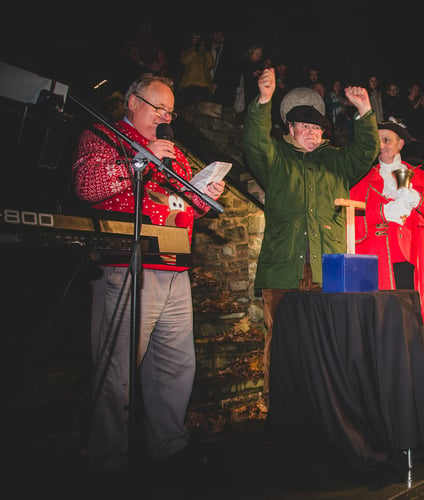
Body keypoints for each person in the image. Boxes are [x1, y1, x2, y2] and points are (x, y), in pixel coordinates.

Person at [72, 73, 226, 474]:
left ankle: (168, 447)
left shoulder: (171, 150)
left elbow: (191, 200)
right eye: (159, 107)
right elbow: (87, 185)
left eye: (170, 110)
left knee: (175, 366)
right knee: (117, 370)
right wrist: (139, 161)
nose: (165, 116)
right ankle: (108, 461)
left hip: (175, 269)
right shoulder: (103, 136)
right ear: (132, 103)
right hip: (128, 268)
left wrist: (205, 194)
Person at [241, 67, 379, 406]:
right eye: (305, 126)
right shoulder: (275, 158)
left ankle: (324, 403)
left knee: (327, 336)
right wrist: (263, 101)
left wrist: (364, 112)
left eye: (317, 127)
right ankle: (277, 402)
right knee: (281, 337)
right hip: (283, 266)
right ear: (290, 128)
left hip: (327, 266)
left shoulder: (336, 161)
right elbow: (254, 142)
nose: (312, 133)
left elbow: (366, 151)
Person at [350, 120, 424, 328]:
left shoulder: (420, 177)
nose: (382, 145)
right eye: (377, 141)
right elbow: (349, 218)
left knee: (409, 320)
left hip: (410, 256)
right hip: (376, 260)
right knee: (381, 319)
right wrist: (382, 213)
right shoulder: (363, 180)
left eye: (387, 140)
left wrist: (418, 199)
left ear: (400, 144)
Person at [177, 32, 214, 107]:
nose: (196, 40)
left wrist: (206, 50)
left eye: (198, 39)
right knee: (188, 111)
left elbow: (211, 64)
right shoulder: (186, 51)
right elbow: (184, 60)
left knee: (203, 112)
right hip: (189, 86)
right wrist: (195, 51)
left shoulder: (205, 51)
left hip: (204, 87)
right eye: (194, 38)